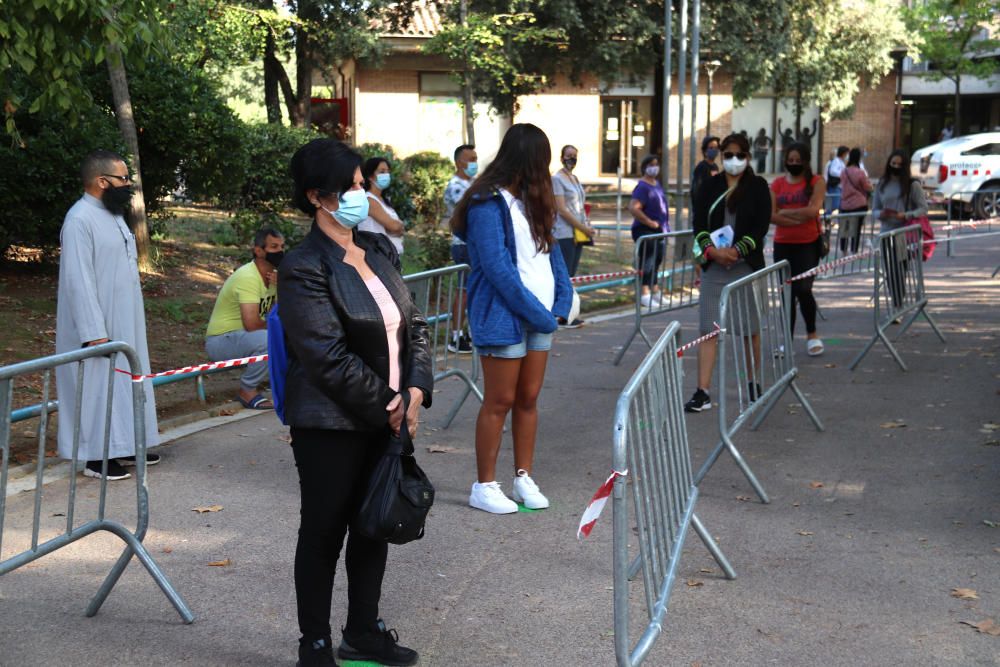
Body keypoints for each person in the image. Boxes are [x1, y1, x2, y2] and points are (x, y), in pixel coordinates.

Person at [278, 138, 433, 667]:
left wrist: (415, 391)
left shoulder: (380, 251)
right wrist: (391, 404)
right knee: (324, 530)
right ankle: (314, 644)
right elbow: (325, 355)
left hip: (390, 415)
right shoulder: (301, 265)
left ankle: (363, 630)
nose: (360, 196)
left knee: (375, 525)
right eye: (349, 188)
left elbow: (416, 327)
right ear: (316, 196)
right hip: (331, 423)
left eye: (362, 186)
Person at [450, 123, 573, 515]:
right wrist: (539, 313)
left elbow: (552, 253)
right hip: (505, 315)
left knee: (528, 399)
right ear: (528, 159)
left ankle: (523, 477)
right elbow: (497, 269)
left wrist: (564, 299)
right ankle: (484, 485)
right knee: (499, 400)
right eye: (543, 159)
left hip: (539, 316)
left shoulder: (533, 199)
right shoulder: (487, 202)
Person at [55, 150, 160, 480]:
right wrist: (94, 330)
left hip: (125, 317)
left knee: (126, 380)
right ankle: (95, 457)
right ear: (102, 182)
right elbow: (78, 280)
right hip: (96, 325)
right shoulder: (79, 220)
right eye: (123, 178)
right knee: (98, 387)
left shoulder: (112, 213)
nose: (129, 185)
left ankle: (124, 444)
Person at [685, 134, 771, 413]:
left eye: (739, 154)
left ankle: (753, 383)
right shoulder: (710, 185)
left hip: (746, 264)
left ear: (747, 156)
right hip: (715, 265)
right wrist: (712, 251)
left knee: (750, 329)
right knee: (708, 328)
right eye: (728, 154)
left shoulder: (757, 186)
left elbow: (760, 226)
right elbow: (698, 223)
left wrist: (738, 251)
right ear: (722, 156)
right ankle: (702, 391)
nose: (734, 160)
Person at [205, 227, 284, 409]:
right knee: (268, 340)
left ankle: (287, 385)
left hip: (245, 338)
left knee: (292, 332)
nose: (280, 252)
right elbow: (252, 324)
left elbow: (278, 315)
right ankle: (247, 391)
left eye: (281, 246)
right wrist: (279, 327)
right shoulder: (248, 276)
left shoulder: (274, 278)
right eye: (274, 247)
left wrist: (281, 289)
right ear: (258, 250)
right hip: (221, 341)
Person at [771, 141, 827, 357]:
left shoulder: (816, 181)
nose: (793, 163)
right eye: (790, 160)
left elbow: (813, 210)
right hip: (783, 244)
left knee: (803, 290)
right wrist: (797, 216)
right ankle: (786, 340)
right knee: (786, 293)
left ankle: (812, 334)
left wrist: (785, 213)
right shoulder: (776, 184)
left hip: (808, 244)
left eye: (797, 160)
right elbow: (771, 214)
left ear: (805, 161)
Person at [872, 149, 928, 310]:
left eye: (899, 164)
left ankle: (898, 305)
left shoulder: (913, 184)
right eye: (893, 163)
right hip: (885, 233)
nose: (895, 166)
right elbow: (875, 208)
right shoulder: (882, 184)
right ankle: (897, 302)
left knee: (900, 269)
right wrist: (880, 213)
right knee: (889, 271)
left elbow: (923, 208)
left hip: (903, 233)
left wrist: (906, 215)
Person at [552, 145, 592, 328]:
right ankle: (561, 314)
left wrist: (586, 225)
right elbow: (561, 209)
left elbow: (579, 206)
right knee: (564, 274)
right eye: (569, 156)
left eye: (575, 156)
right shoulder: (557, 179)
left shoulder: (574, 178)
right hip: (564, 232)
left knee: (572, 275)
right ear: (561, 157)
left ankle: (568, 312)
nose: (572, 159)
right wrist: (582, 226)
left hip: (578, 232)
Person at [443, 144, 478, 354]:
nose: (474, 163)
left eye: (475, 158)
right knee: (463, 291)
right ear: (458, 162)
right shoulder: (456, 186)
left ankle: (470, 331)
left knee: (473, 290)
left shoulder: (474, 184)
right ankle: (455, 336)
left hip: (474, 244)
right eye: (470, 159)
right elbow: (470, 213)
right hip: (463, 244)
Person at [629, 155, 670, 308]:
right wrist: (649, 222)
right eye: (651, 164)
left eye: (656, 164)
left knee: (657, 259)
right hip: (645, 230)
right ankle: (645, 293)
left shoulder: (656, 184)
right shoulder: (642, 187)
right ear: (645, 167)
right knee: (648, 260)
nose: (655, 167)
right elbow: (633, 208)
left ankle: (655, 290)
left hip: (660, 230)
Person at [360, 156, 405, 257]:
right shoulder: (369, 200)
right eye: (382, 171)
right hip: (378, 256)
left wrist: (396, 227)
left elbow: (397, 227)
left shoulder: (384, 200)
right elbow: (394, 226)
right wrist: (396, 227)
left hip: (391, 256)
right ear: (370, 176)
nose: (386, 175)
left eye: (388, 171)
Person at [839, 147, 874, 253]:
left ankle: (843, 251)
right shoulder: (860, 173)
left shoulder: (843, 172)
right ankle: (854, 251)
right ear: (859, 158)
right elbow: (867, 187)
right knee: (856, 229)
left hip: (845, 204)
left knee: (844, 228)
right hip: (859, 204)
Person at [691, 136, 720, 200]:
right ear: (705, 151)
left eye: (716, 147)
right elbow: (696, 190)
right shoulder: (701, 167)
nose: (714, 150)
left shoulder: (715, 167)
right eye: (711, 148)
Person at [824, 145, 849, 213]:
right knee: (835, 205)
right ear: (843, 153)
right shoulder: (836, 161)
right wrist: (843, 174)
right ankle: (827, 218)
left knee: (837, 205)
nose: (847, 156)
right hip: (835, 186)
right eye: (847, 154)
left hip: (839, 186)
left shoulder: (841, 162)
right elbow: (833, 171)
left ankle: (829, 218)